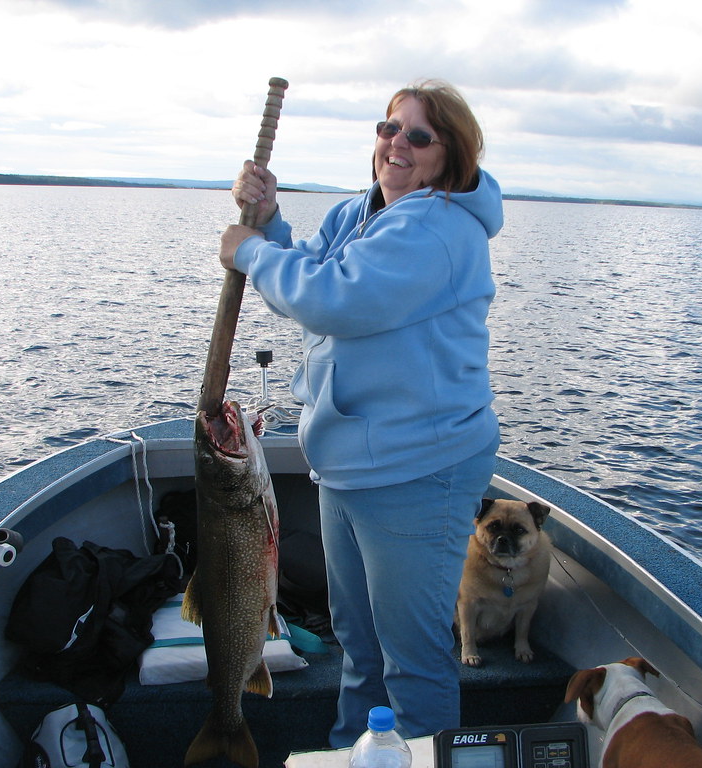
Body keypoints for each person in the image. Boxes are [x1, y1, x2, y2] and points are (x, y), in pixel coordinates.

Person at [219, 79, 503, 746]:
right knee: (358, 646)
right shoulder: (362, 212)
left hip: (416, 469)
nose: (396, 143)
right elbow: (311, 269)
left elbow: (334, 299)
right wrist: (270, 221)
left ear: (450, 154)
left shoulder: (438, 229)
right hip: (348, 463)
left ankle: (421, 757)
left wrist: (248, 252)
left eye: (418, 135)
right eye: (388, 127)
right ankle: (356, 753)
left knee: (411, 659)